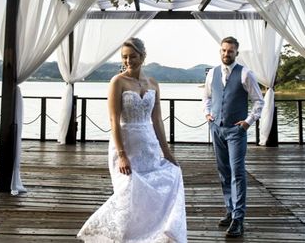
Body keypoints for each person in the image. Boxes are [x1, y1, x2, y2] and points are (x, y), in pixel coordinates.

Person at [78, 37, 187, 243]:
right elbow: (113, 119)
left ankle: (148, 236)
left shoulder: (153, 83)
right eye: (124, 57)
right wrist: (122, 155)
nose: (128, 61)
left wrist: (167, 152)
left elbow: (157, 120)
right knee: (127, 195)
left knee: (149, 196)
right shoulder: (117, 81)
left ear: (142, 57)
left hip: (149, 146)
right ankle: (112, 236)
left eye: (133, 57)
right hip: (126, 145)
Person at [203, 36, 264, 238]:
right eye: (223, 50)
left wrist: (248, 122)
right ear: (220, 51)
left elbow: (259, 102)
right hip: (217, 129)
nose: (226, 54)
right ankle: (229, 211)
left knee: (237, 172)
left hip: (236, 131)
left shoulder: (246, 74)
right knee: (223, 172)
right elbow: (208, 97)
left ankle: (239, 219)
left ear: (237, 52)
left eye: (230, 51)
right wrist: (208, 114)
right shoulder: (212, 73)